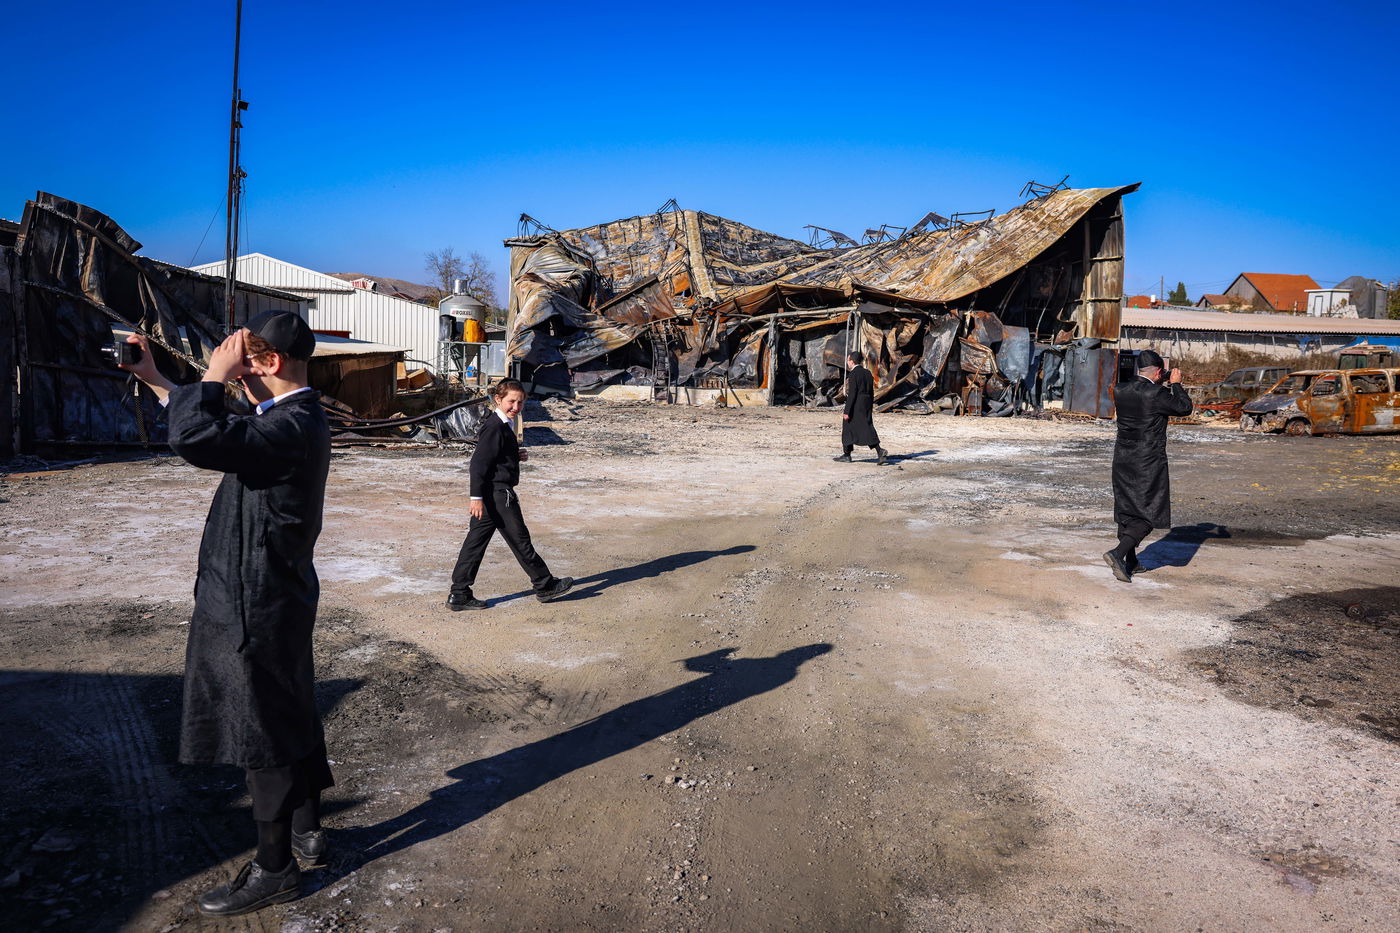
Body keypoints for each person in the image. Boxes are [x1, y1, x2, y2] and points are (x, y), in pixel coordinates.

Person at [120, 311, 332, 916]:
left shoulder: (290, 426)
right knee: (288, 702)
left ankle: (275, 867)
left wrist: (213, 373)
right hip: (272, 590)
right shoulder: (288, 418)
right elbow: (226, 428)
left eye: (242, 367)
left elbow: (198, 439)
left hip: (254, 597)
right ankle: (307, 829)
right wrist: (161, 380)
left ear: (267, 364)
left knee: (257, 723)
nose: (234, 380)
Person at [448, 379, 573, 609]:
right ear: (498, 399)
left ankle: (459, 594)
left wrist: (514, 455)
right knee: (521, 541)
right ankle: (544, 585)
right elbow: (478, 464)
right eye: (511, 401)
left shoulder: (504, 423)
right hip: (497, 495)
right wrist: (475, 498)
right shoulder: (494, 426)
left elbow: (495, 457)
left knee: (475, 544)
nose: (515, 406)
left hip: (492, 494)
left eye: (520, 402)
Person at [1104, 349, 1193, 582]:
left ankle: (1131, 561)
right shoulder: (1156, 394)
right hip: (1148, 460)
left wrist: (1160, 381)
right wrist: (1176, 384)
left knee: (1127, 509)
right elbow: (1184, 407)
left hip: (1123, 457)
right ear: (1159, 372)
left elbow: (1143, 390)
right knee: (1148, 512)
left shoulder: (1120, 389)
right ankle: (1118, 553)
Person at [833, 351, 888, 465]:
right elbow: (871, 391)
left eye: (848, 360)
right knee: (866, 427)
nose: (847, 362)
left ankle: (847, 455)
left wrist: (847, 411)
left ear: (852, 361)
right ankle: (879, 452)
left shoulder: (853, 374)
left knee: (848, 425)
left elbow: (852, 394)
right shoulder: (867, 373)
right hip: (866, 403)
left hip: (856, 405)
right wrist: (870, 405)